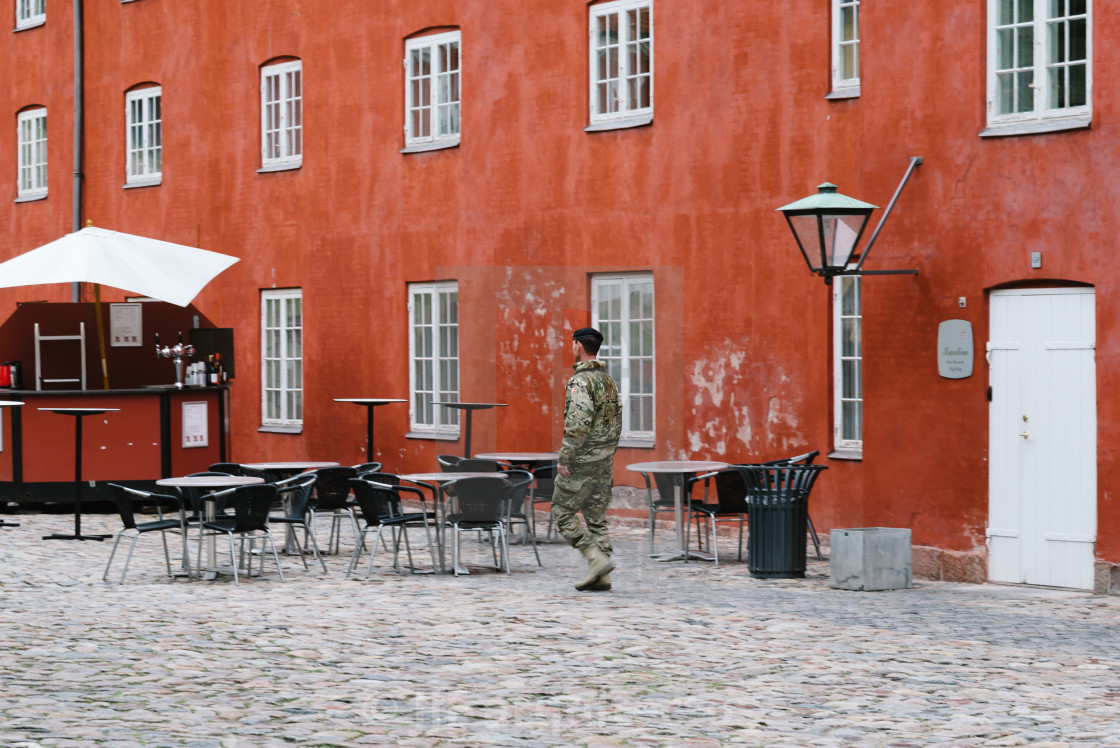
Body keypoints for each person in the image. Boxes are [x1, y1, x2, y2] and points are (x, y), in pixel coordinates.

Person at [551, 327, 623, 591]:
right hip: (605, 459)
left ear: (578, 346)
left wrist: (566, 457)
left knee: (562, 511)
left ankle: (594, 558)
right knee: (595, 516)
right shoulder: (609, 381)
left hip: (583, 459)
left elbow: (577, 424)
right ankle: (603, 575)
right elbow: (616, 423)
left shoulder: (580, 382)